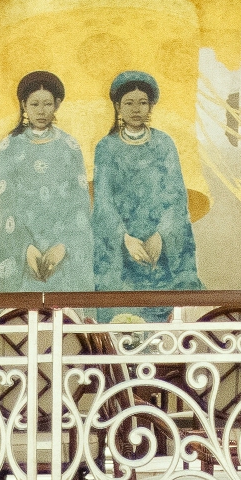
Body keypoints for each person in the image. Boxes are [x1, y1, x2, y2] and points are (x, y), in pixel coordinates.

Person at [87, 68, 200, 305]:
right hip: (122, 245)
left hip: (161, 248)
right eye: (129, 103)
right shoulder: (106, 148)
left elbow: (176, 196)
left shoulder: (164, 144)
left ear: (150, 106)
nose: (136, 109)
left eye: (142, 103)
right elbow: (104, 201)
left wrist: (161, 235)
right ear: (118, 106)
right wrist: (124, 238)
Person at [0, 68, 98, 291]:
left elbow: (79, 206)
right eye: (34, 104)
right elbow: (7, 205)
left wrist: (62, 247)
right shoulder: (9, 145)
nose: (41, 111)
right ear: (24, 105)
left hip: (62, 246)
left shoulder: (69, 145)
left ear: (56, 104)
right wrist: (26, 247)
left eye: (47, 104)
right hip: (19, 243)